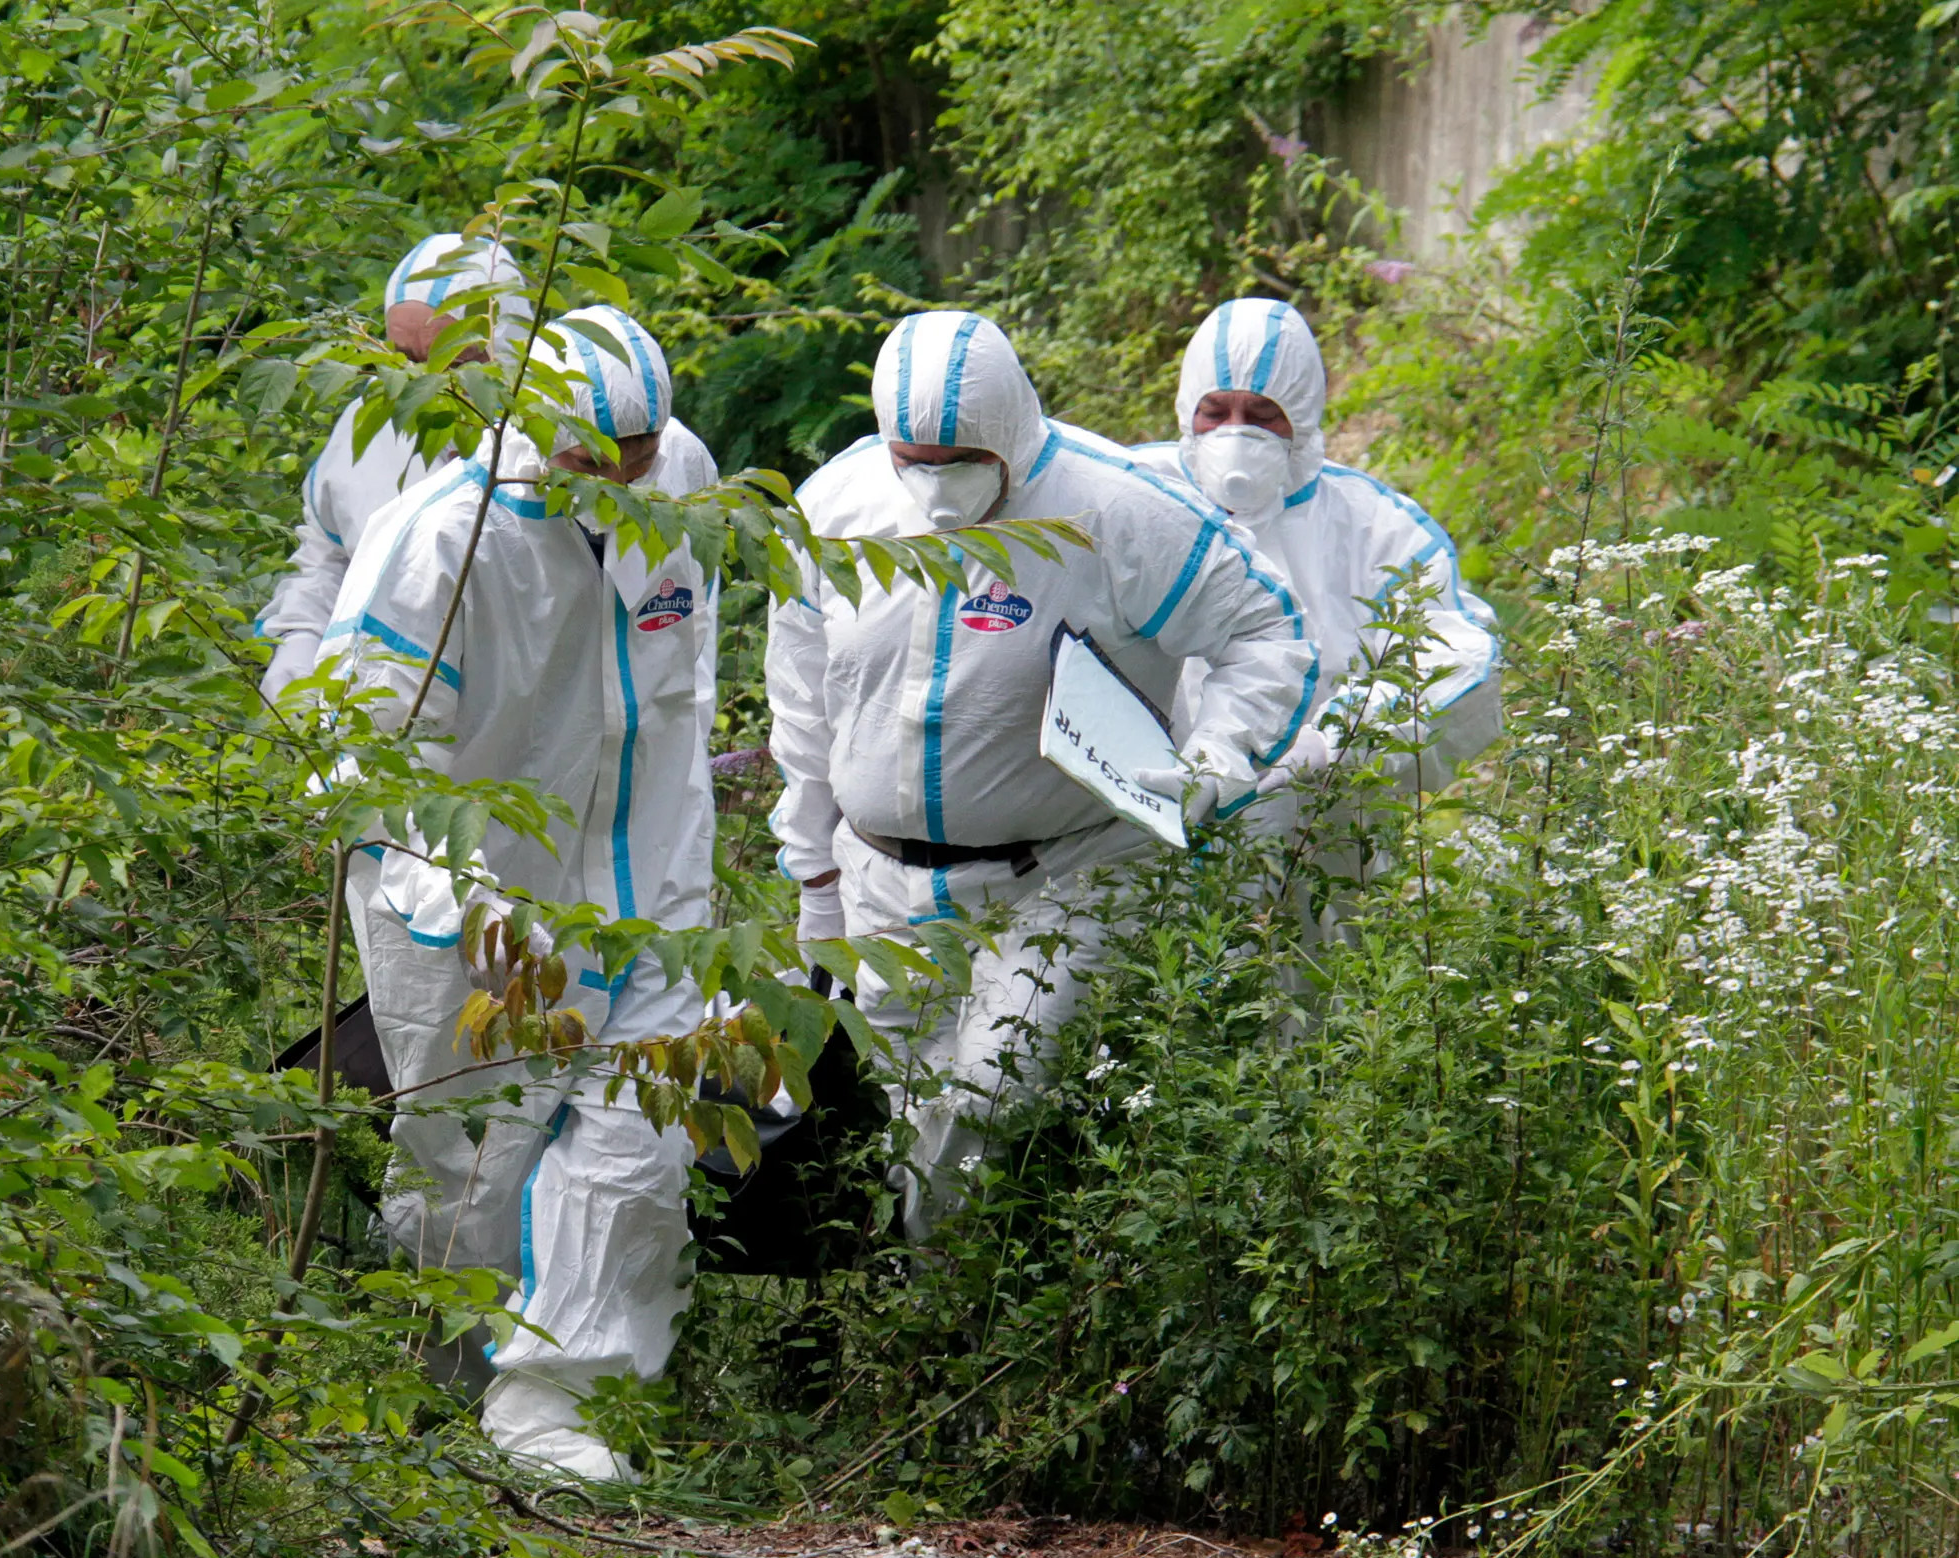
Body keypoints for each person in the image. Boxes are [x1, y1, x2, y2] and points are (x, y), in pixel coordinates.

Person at [764, 309, 1317, 1240]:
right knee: (905, 1102)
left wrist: (1217, 759)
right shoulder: (836, 507)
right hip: (880, 878)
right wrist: (811, 867)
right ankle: (931, 1319)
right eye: (915, 458)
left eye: (963, 459)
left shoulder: (1116, 510)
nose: (937, 486)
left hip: (1060, 871)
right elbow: (802, 695)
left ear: (1015, 432)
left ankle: (950, 1311)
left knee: (988, 1093)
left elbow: (1267, 633)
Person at [322, 306, 719, 1480]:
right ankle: (437, 1390)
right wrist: (469, 898)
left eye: (641, 450)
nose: (627, 476)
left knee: (641, 1140)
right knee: (472, 1162)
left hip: (643, 888)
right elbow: (366, 753)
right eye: (597, 458)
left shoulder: (674, 481)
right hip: (450, 899)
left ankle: (552, 1408)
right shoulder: (440, 543)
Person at [1131, 298, 1499, 836]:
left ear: (1301, 418)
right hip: (1142, 812)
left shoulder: (1373, 526)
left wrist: (1337, 739)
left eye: (1262, 416)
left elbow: (1457, 657)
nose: (1235, 435)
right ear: (1188, 410)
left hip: (1316, 825)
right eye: (1215, 412)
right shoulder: (1138, 492)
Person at [254, 232, 533, 704]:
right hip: (376, 729)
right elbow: (330, 557)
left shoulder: (561, 448)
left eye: (454, 362)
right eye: (405, 360)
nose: (424, 383)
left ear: (507, 347)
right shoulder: (371, 425)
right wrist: (300, 645)